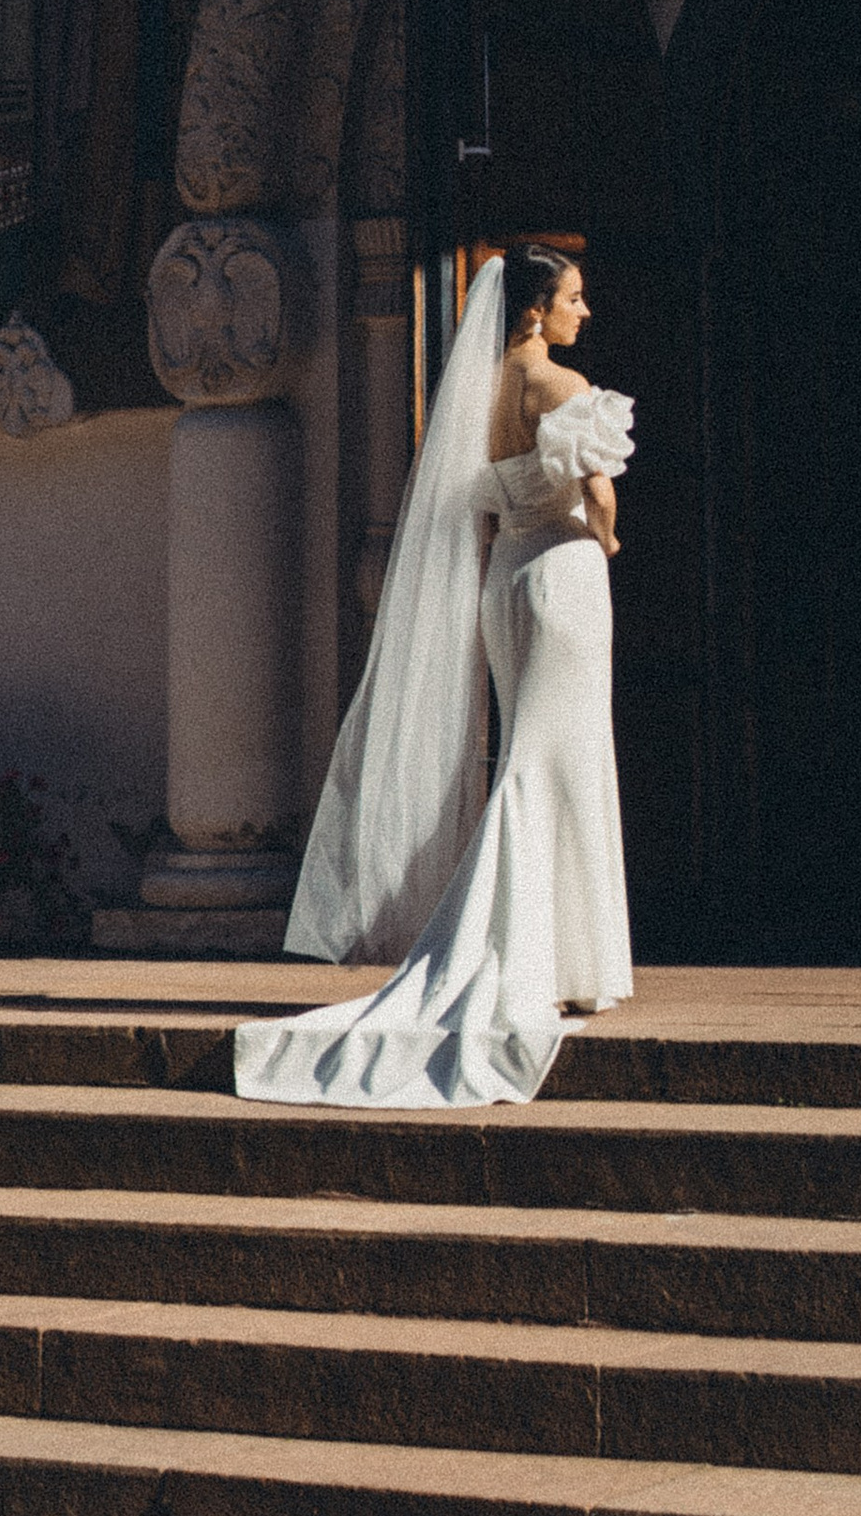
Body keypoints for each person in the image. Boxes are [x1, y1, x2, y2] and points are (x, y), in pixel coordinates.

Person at [232, 240, 634, 1106]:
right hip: (562, 573)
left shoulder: (480, 391)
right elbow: (598, 492)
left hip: (507, 580)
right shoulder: (563, 390)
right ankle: (550, 960)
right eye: (574, 296)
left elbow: (475, 501)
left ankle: (550, 954)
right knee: (556, 762)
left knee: (531, 754)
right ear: (535, 309)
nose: (584, 311)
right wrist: (606, 539)